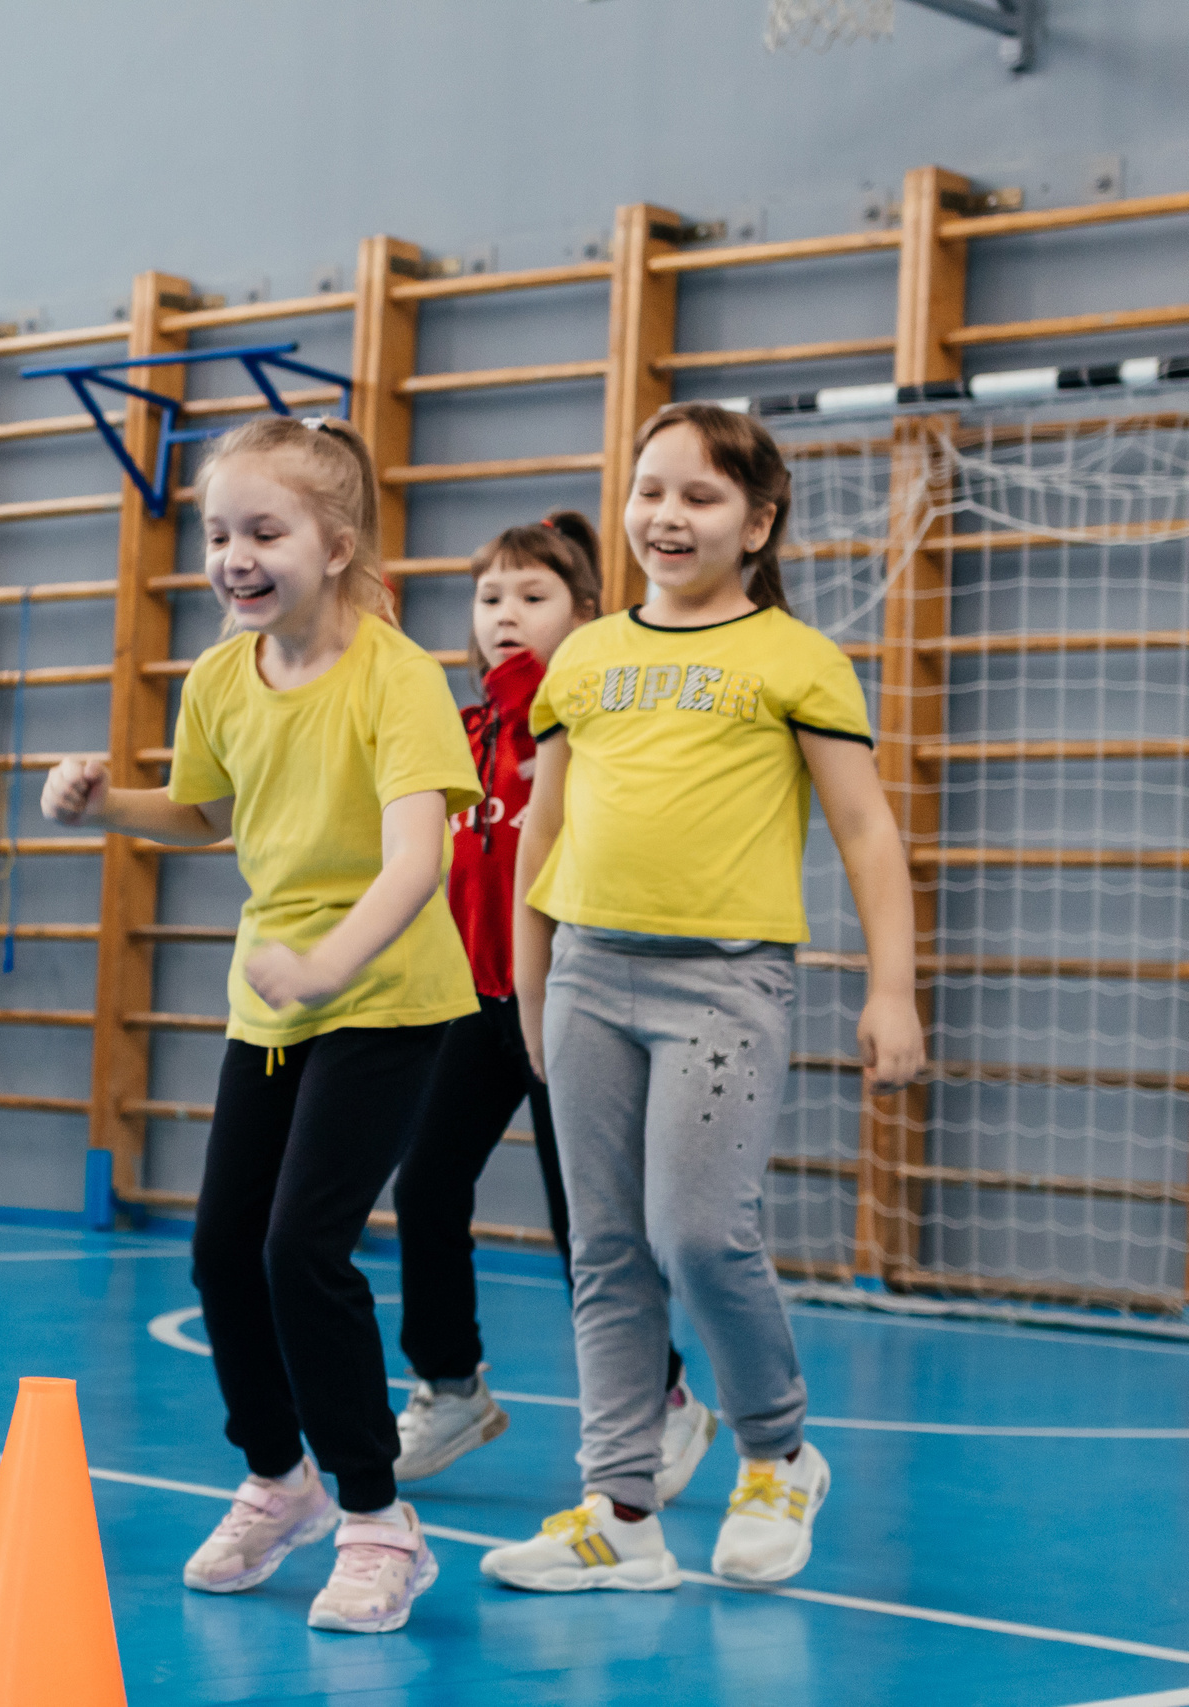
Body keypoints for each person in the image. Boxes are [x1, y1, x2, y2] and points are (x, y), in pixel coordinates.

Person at [43, 414, 479, 1636]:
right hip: (275, 1000)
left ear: (336, 545)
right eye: (217, 532)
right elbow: (205, 814)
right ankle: (274, 1479)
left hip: (388, 999)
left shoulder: (394, 674)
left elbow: (415, 863)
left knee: (302, 1250)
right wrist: (105, 807)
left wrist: (329, 962)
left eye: (264, 531)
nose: (232, 555)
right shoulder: (219, 677)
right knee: (222, 1254)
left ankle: (379, 1519)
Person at [480, 403, 923, 1595]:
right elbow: (544, 830)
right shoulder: (581, 658)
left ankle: (776, 1451)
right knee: (605, 1251)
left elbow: (867, 830)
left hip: (721, 984)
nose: (665, 517)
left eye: (700, 497)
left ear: (758, 521)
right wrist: (532, 979)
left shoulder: (794, 658)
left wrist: (892, 988)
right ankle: (618, 1505)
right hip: (585, 975)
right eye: (648, 490)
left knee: (697, 1235)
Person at [389, 512, 713, 1501]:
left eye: (532, 597)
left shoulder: (586, 725)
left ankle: (660, 1403)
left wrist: (562, 672)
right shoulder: (461, 734)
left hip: (577, 999)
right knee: (423, 1187)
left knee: (591, 1229)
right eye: (488, 599)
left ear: (585, 615)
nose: (503, 617)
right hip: (475, 1004)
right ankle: (450, 1388)